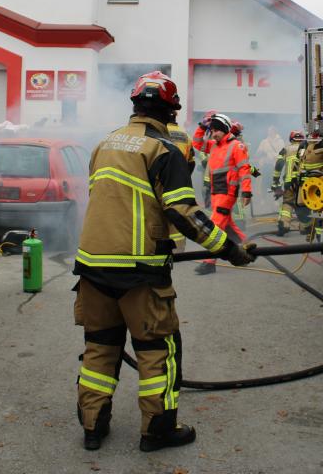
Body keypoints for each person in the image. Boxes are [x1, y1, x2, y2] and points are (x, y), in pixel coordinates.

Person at [73, 71, 257, 453]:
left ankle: (92, 427)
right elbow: (184, 213)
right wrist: (230, 250)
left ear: (135, 106)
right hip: (139, 271)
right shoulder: (163, 150)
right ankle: (157, 431)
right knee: (158, 350)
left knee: (100, 346)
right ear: (171, 112)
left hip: (91, 266)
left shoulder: (104, 144)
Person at [192, 112, 253, 274]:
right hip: (216, 192)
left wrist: (247, 191)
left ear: (225, 129)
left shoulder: (236, 146)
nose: (214, 134)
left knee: (215, 227)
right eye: (212, 131)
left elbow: (244, 169)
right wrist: (202, 126)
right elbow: (196, 143)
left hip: (227, 193)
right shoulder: (214, 145)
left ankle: (209, 262)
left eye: (216, 130)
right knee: (229, 226)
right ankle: (247, 247)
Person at [166, 121, 195, 252]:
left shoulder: (157, 131)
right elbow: (191, 162)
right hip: (179, 184)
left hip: (160, 182)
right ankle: (179, 248)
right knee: (179, 214)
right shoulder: (185, 136)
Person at [271, 130, 306, 235]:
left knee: (288, 203)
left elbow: (278, 165)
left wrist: (276, 181)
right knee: (303, 204)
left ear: (291, 139)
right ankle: (305, 227)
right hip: (304, 183)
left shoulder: (286, 149)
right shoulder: (307, 148)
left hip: (289, 183)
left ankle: (284, 225)